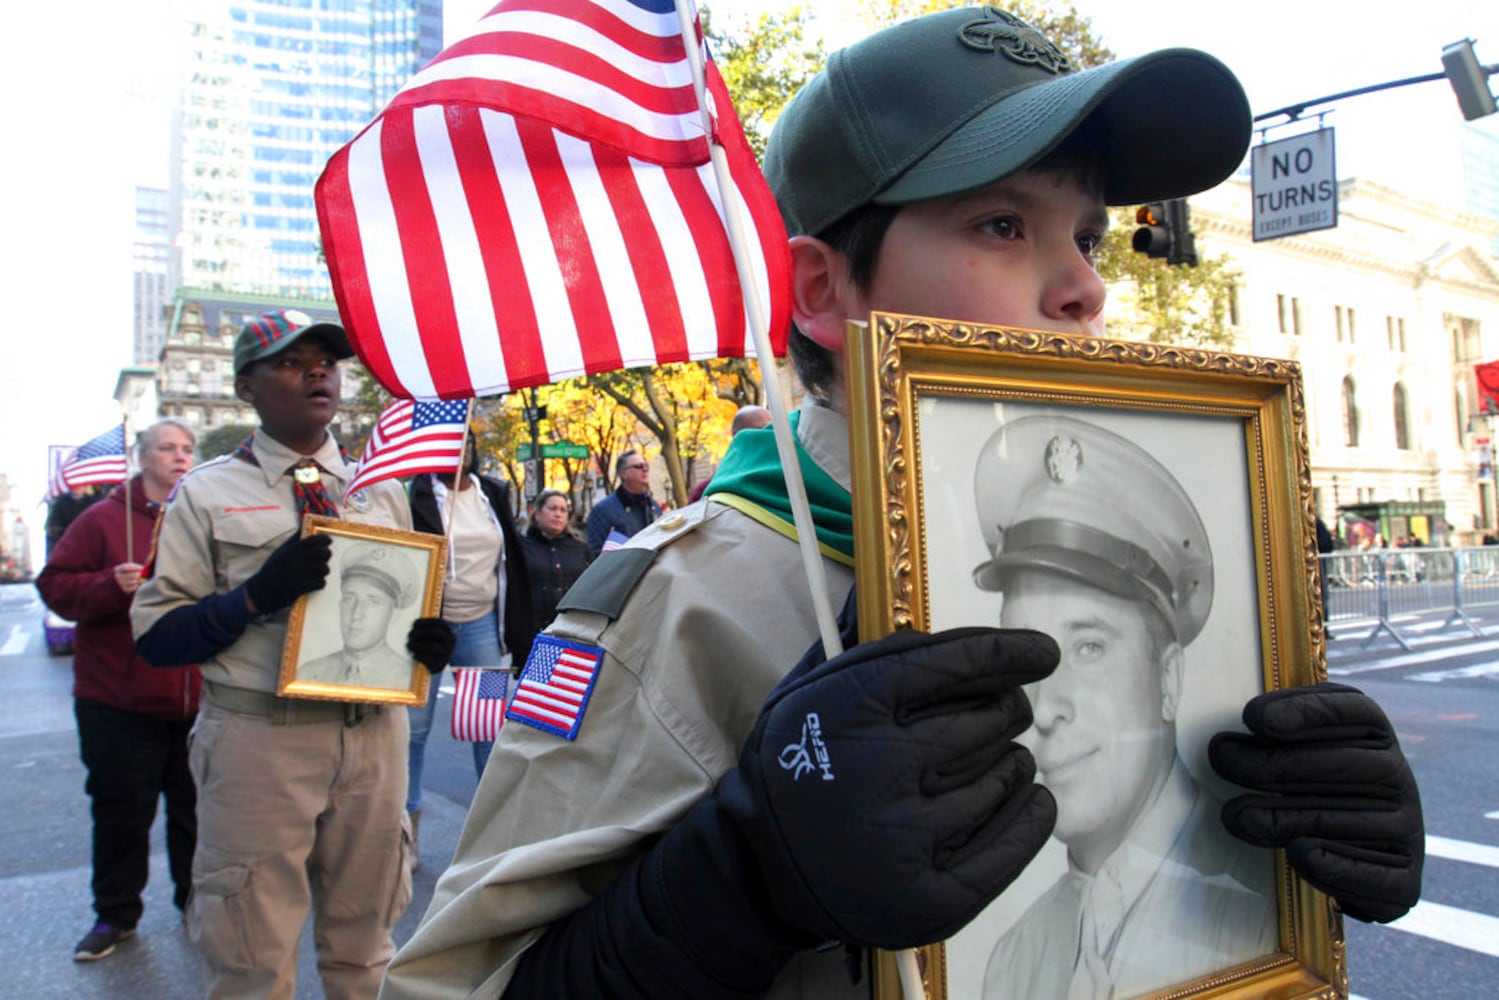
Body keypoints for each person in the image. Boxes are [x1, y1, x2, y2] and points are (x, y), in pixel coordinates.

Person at [382, 9, 1423, 999]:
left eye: (1089, 237)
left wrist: (1270, 875)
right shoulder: (680, 604)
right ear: (822, 290)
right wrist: (739, 880)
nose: (1080, 287)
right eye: (1004, 222)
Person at [130, 309, 456, 999]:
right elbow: (158, 636)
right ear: (246, 388)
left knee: (366, 951)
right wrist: (253, 597)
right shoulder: (207, 492)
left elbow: (406, 609)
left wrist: (426, 646)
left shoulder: (382, 488)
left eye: (325, 361)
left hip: (372, 740)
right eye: (288, 361)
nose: (315, 372)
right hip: (261, 743)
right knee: (250, 959)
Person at [973, 414, 1274, 998]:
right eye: (1025, 659)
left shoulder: (1273, 898)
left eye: (1088, 647)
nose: (1044, 708)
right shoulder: (1015, 958)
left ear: (1167, 678)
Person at [36, 418, 202, 962]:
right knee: (121, 813)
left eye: (187, 449)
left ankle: (195, 906)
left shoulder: (200, 516)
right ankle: (115, 916)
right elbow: (55, 587)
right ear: (141, 456)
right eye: (166, 448)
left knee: (196, 814)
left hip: (196, 698)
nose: (179, 457)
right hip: (118, 700)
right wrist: (109, 584)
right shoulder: (100, 520)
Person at [406, 446, 533, 868]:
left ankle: (490, 835)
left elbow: (512, 558)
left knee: (488, 728)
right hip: (428, 626)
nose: (457, 449)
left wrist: (517, 628)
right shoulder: (416, 494)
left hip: (481, 626)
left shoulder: (493, 491)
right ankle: (406, 833)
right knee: (414, 729)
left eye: (465, 441)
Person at [299, 544, 420, 689]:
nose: (356, 614)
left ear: (393, 614)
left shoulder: (408, 679)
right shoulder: (307, 673)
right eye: (349, 599)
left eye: (374, 601)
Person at [518, 487, 592, 658]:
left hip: (573, 632)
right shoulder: (521, 547)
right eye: (552, 509)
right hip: (532, 632)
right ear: (537, 513)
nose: (558, 514)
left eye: (563, 510)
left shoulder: (580, 548)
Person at [688, 405, 774, 502]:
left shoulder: (783, 478)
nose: (768, 436)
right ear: (737, 436)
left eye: (771, 430)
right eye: (760, 430)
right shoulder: (706, 491)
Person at [584, 449, 662, 554]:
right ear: (623, 473)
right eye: (638, 466)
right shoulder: (603, 510)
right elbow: (595, 553)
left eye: (646, 465)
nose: (645, 469)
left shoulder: (654, 507)